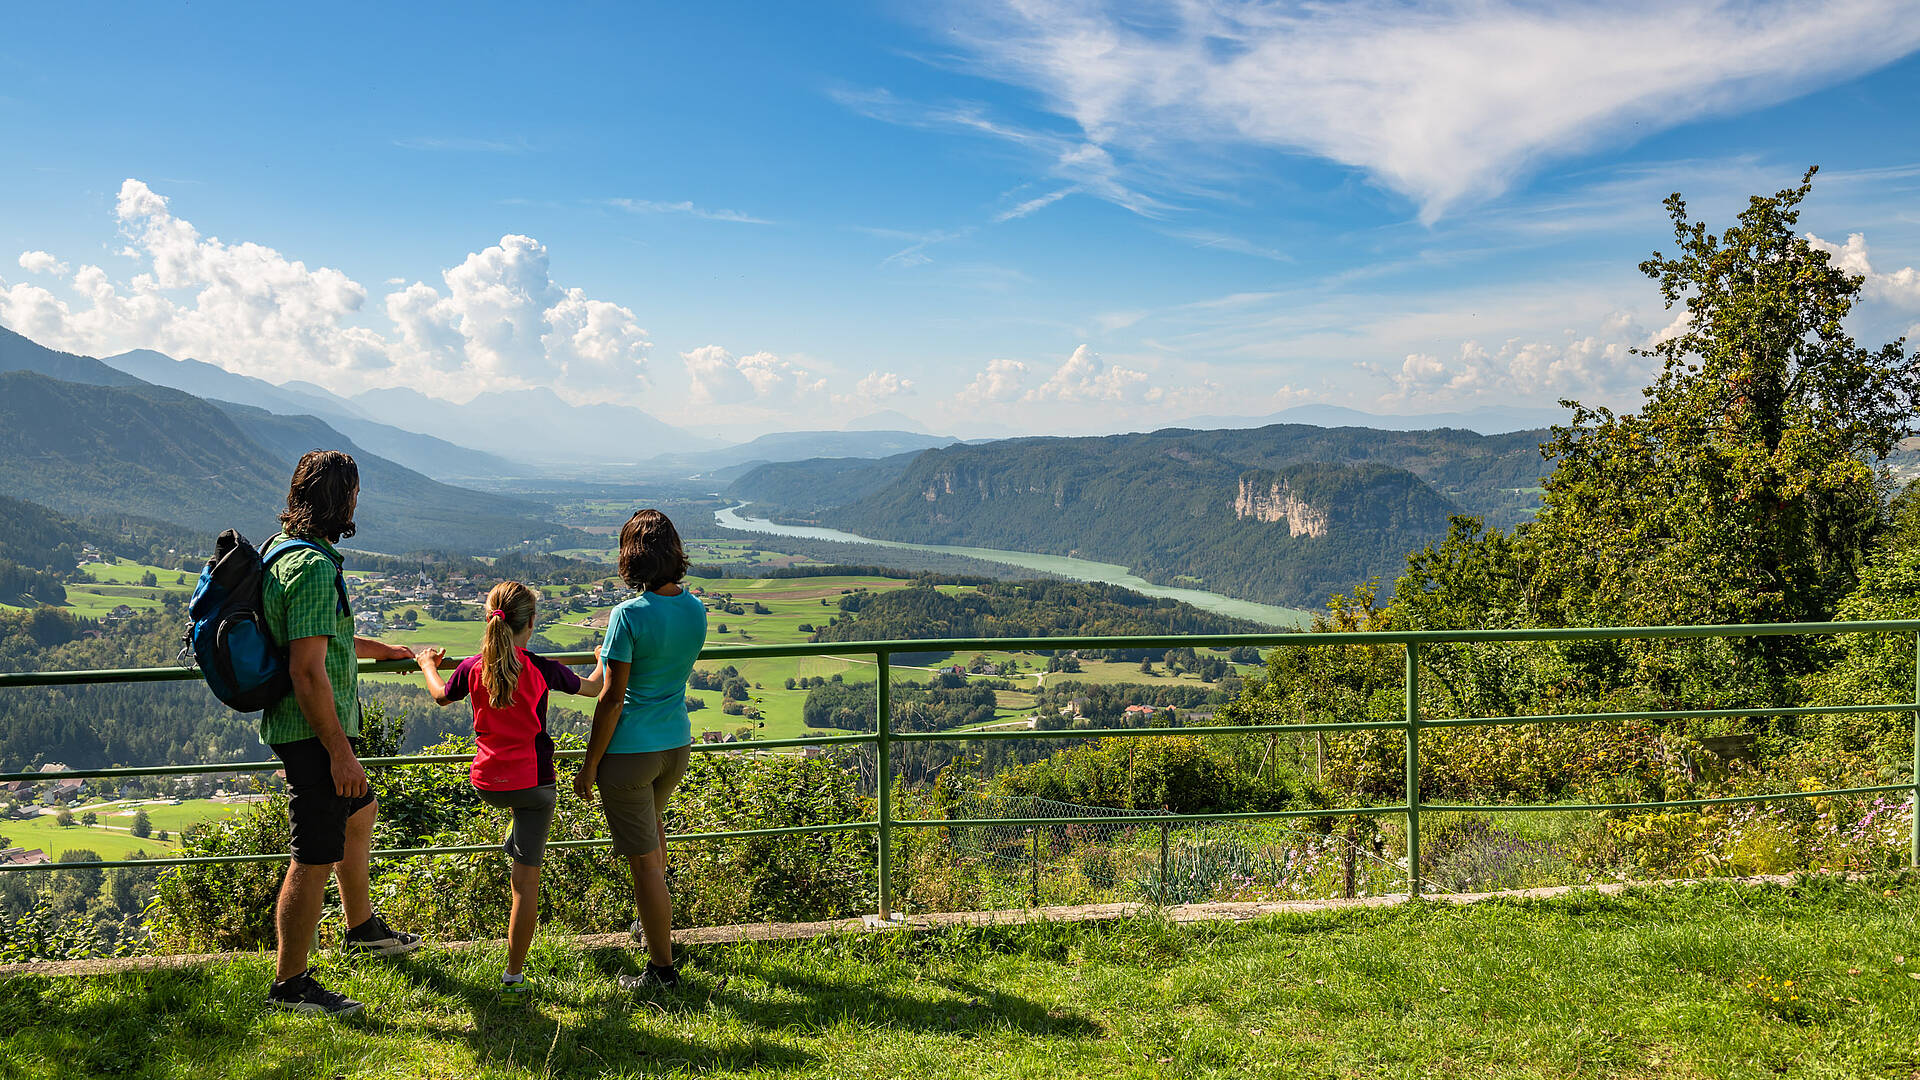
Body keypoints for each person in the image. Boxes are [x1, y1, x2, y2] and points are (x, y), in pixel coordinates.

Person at [262, 450, 422, 1017]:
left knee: (359, 812)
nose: (358, 502)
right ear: (342, 498)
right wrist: (339, 752)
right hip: (311, 731)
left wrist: (394, 652)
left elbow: (326, 642)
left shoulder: (282, 553)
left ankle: (361, 928)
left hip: (305, 724)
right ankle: (291, 985)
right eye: (354, 492)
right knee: (312, 854)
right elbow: (307, 669)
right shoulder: (312, 568)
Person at [414, 581, 605, 995]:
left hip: (487, 782)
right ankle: (513, 976)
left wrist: (427, 662)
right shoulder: (541, 668)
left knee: (514, 816)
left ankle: (515, 840)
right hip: (533, 787)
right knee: (525, 885)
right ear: (531, 624)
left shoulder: (470, 667)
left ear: (489, 620)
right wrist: (602, 660)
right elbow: (594, 688)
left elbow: (440, 695)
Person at [572, 509, 707, 990]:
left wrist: (589, 765)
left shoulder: (627, 615)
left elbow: (610, 700)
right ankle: (652, 927)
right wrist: (610, 660)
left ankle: (661, 972)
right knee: (655, 837)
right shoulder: (695, 609)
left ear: (632, 558)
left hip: (630, 754)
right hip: (675, 744)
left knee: (645, 862)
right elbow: (659, 667)